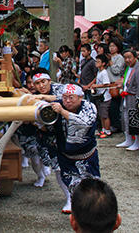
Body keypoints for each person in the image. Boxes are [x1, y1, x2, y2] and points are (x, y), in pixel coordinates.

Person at [51, 84, 100, 212]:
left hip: (86, 156)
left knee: (91, 186)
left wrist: (62, 111)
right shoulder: (56, 105)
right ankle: (74, 206)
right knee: (72, 185)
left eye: (71, 98)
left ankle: (93, 210)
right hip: (66, 156)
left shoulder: (89, 107)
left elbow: (84, 123)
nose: (67, 101)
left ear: (80, 97)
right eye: (65, 97)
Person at [31, 69, 72, 213]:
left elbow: (69, 99)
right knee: (58, 169)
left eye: (43, 81)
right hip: (50, 137)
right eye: (37, 83)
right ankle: (69, 197)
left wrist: (46, 98)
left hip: (69, 133)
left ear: (49, 80)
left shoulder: (61, 89)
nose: (41, 85)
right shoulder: (33, 98)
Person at [115, 50, 139, 152]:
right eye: (125, 58)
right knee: (125, 118)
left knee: (135, 119)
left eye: (129, 57)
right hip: (126, 96)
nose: (127, 60)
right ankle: (128, 139)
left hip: (134, 97)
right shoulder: (128, 68)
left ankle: (137, 142)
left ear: (135, 57)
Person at [86, 54, 113, 138]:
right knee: (101, 114)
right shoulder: (99, 72)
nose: (96, 63)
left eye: (98, 62)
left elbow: (106, 84)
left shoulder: (104, 72)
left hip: (105, 96)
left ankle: (107, 131)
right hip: (99, 95)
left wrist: (96, 86)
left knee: (105, 115)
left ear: (103, 63)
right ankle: (103, 129)